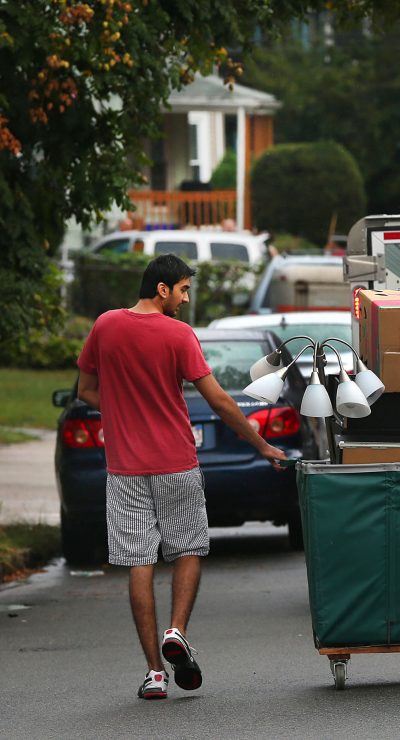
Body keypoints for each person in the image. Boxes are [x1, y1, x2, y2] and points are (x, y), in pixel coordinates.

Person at [76, 254, 289, 700]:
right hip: (176, 462)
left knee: (139, 561)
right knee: (189, 547)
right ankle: (176, 631)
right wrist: (262, 445)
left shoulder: (105, 326)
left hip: (124, 468)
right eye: (184, 289)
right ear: (162, 289)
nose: (186, 298)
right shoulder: (178, 334)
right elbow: (219, 402)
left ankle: (155, 673)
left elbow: (87, 391)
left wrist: (120, 412)